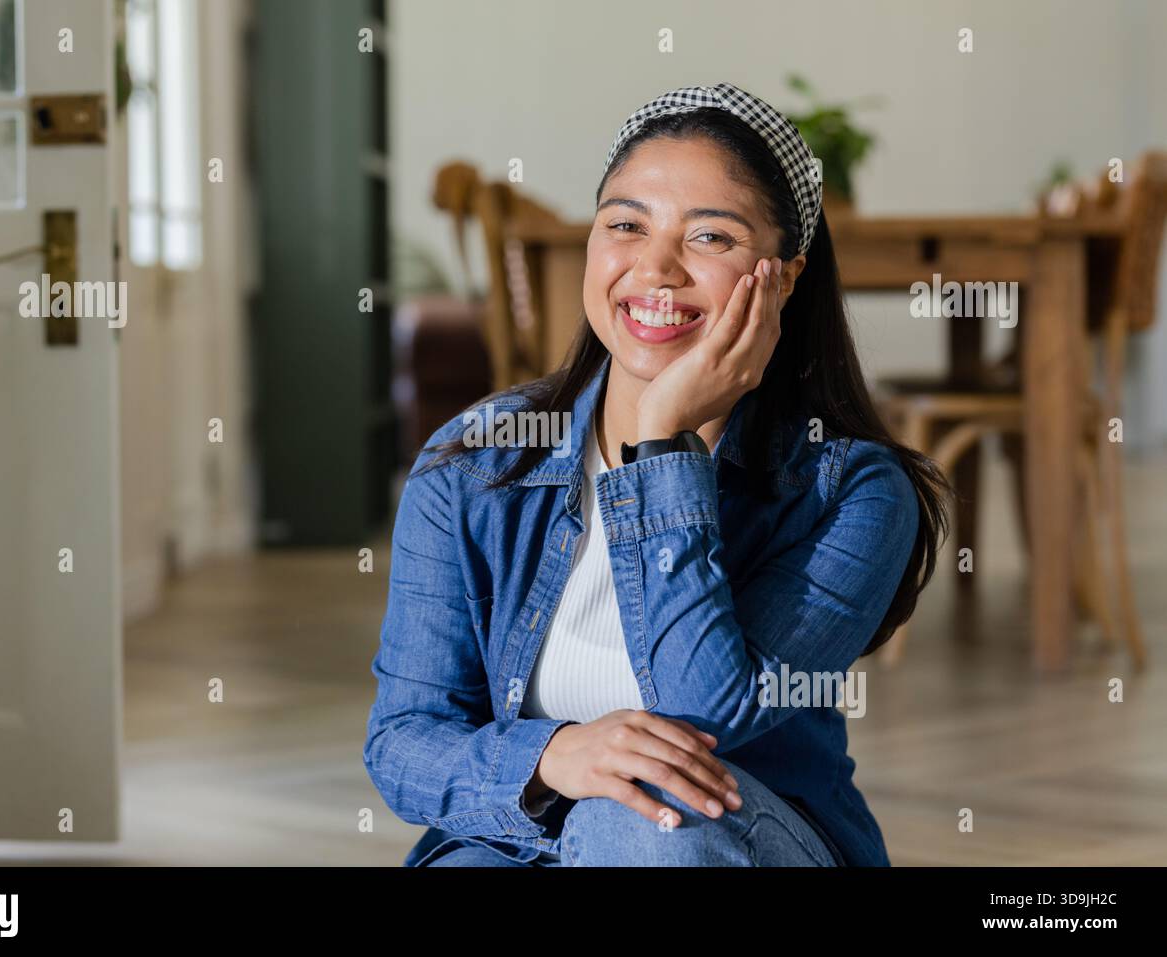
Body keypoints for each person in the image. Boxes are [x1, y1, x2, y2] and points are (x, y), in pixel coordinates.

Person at [363, 82, 951, 867]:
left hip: (724, 841)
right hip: (522, 839)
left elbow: (703, 710)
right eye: (625, 225)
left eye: (710, 237)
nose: (655, 268)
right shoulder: (474, 464)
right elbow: (403, 740)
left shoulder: (849, 491)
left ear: (785, 276)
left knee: (641, 819)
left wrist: (664, 444)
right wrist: (556, 756)